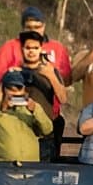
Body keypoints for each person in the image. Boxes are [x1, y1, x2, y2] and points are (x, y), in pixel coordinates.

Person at [0, 5, 72, 116]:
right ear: (23, 28)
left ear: (44, 26)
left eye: (37, 27)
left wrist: (49, 75)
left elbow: (66, 80)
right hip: (15, 111)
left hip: (48, 112)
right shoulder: (10, 47)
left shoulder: (57, 48)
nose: (34, 31)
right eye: (29, 27)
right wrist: (14, 73)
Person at [0, 69, 54, 162]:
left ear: (24, 90)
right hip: (5, 168)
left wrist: (35, 110)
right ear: (3, 90)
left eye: (18, 88)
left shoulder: (32, 107)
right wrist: (2, 110)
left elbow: (47, 129)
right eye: (10, 89)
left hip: (31, 167)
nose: (15, 93)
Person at [19, 30, 69, 159]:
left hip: (45, 135)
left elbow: (63, 98)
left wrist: (50, 76)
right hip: (22, 133)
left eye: (35, 48)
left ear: (41, 49)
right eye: (28, 48)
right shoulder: (16, 72)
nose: (31, 51)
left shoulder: (50, 71)